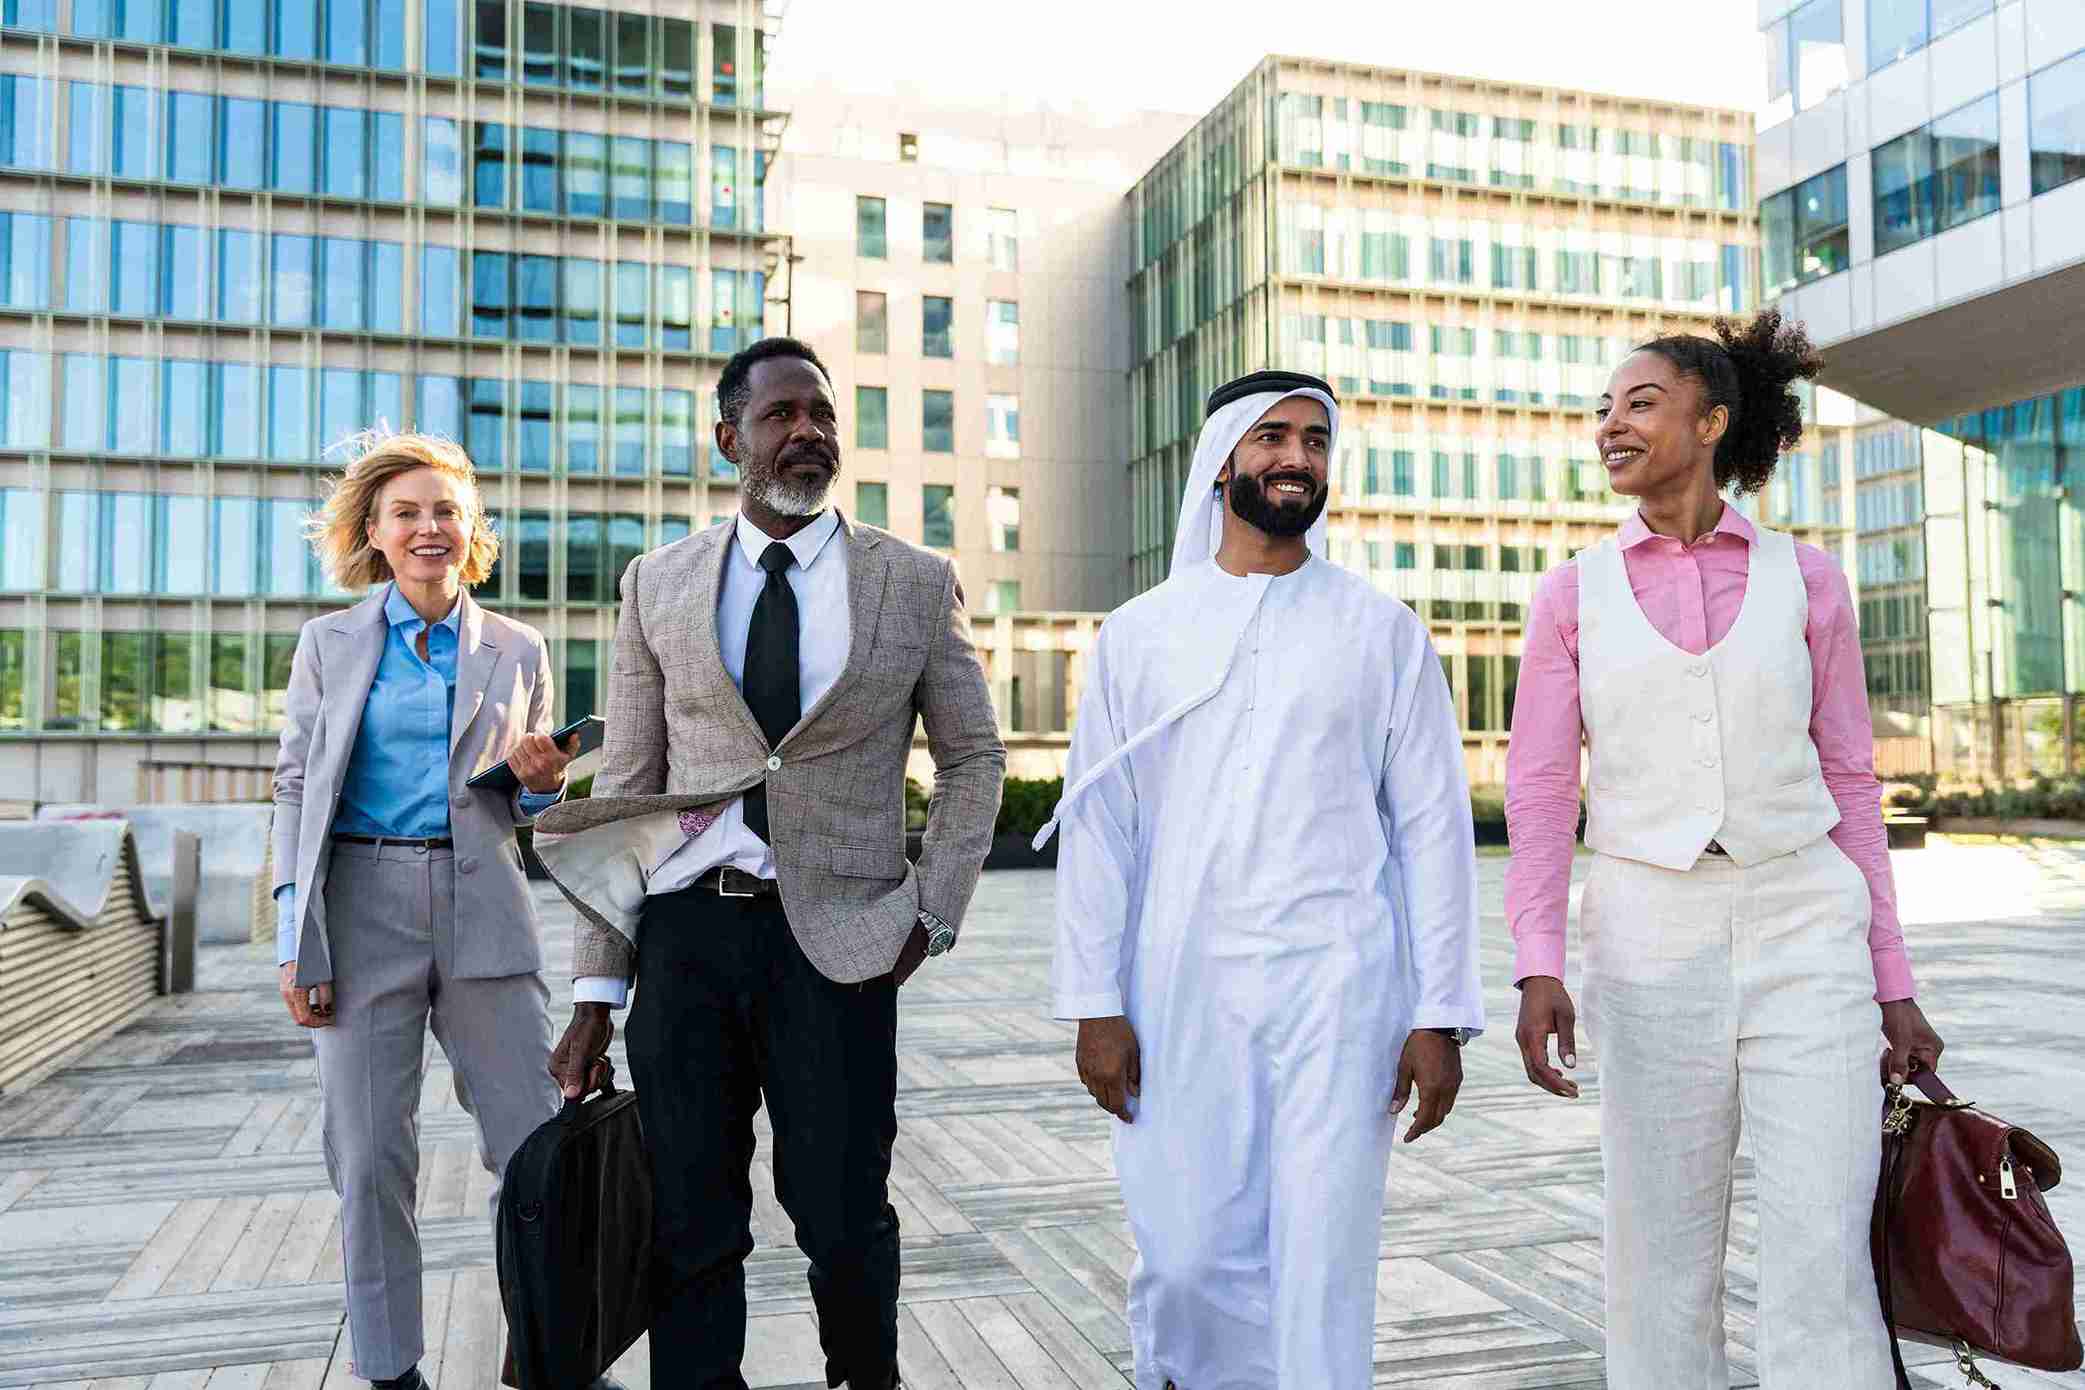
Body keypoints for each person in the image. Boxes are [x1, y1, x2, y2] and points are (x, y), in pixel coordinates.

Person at [533, 337, 1005, 1390]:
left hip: (844, 941)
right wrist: (595, 994)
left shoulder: (914, 583)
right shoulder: (657, 582)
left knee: (842, 1216)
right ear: (727, 440)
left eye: (822, 415)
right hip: (689, 936)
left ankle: (863, 1378)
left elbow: (974, 757)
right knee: (691, 1222)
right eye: (782, 414)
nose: (808, 432)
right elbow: (629, 796)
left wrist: (932, 914)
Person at [1504, 309, 1946, 1389]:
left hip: (1808, 918)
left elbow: (1850, 780)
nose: (1611, 424)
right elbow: (1542, 787)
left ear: (1710, 422)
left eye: (1639, 402)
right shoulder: (1570, 594)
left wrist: (1894, 983)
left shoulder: (1810, 581)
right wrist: (1537, 963)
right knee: (1656, 1243)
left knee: (1823, 1243)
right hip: (1650, 930)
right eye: (1602, 409)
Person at [1041, 369, 1485, 1390]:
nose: (1297, 458)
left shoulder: (1382, 631)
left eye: (1317, 442)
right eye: (1274, 436)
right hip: (1180, 989)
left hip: (1341, 995)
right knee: (1190, 1258)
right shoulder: (1142, 632)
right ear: (1223, 462)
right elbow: (1103, 831)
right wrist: (1093, 1005)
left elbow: (1431, 830)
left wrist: (1441, 1013)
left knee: (1323, 1266)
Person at [271, 433, 590, 1390]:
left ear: (470, 529)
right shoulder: (327, 643)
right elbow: (293, 789)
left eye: (445, 510)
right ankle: (388, 1368)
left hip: (485, 902)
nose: (428, 528)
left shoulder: (518, 647)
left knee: (534, 1148)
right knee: (370, 1158)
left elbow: (524, 803)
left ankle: (549, 1356)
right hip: (360, 908)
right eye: (406, 512)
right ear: (373, 532)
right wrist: (296, 938)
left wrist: (542, 787)